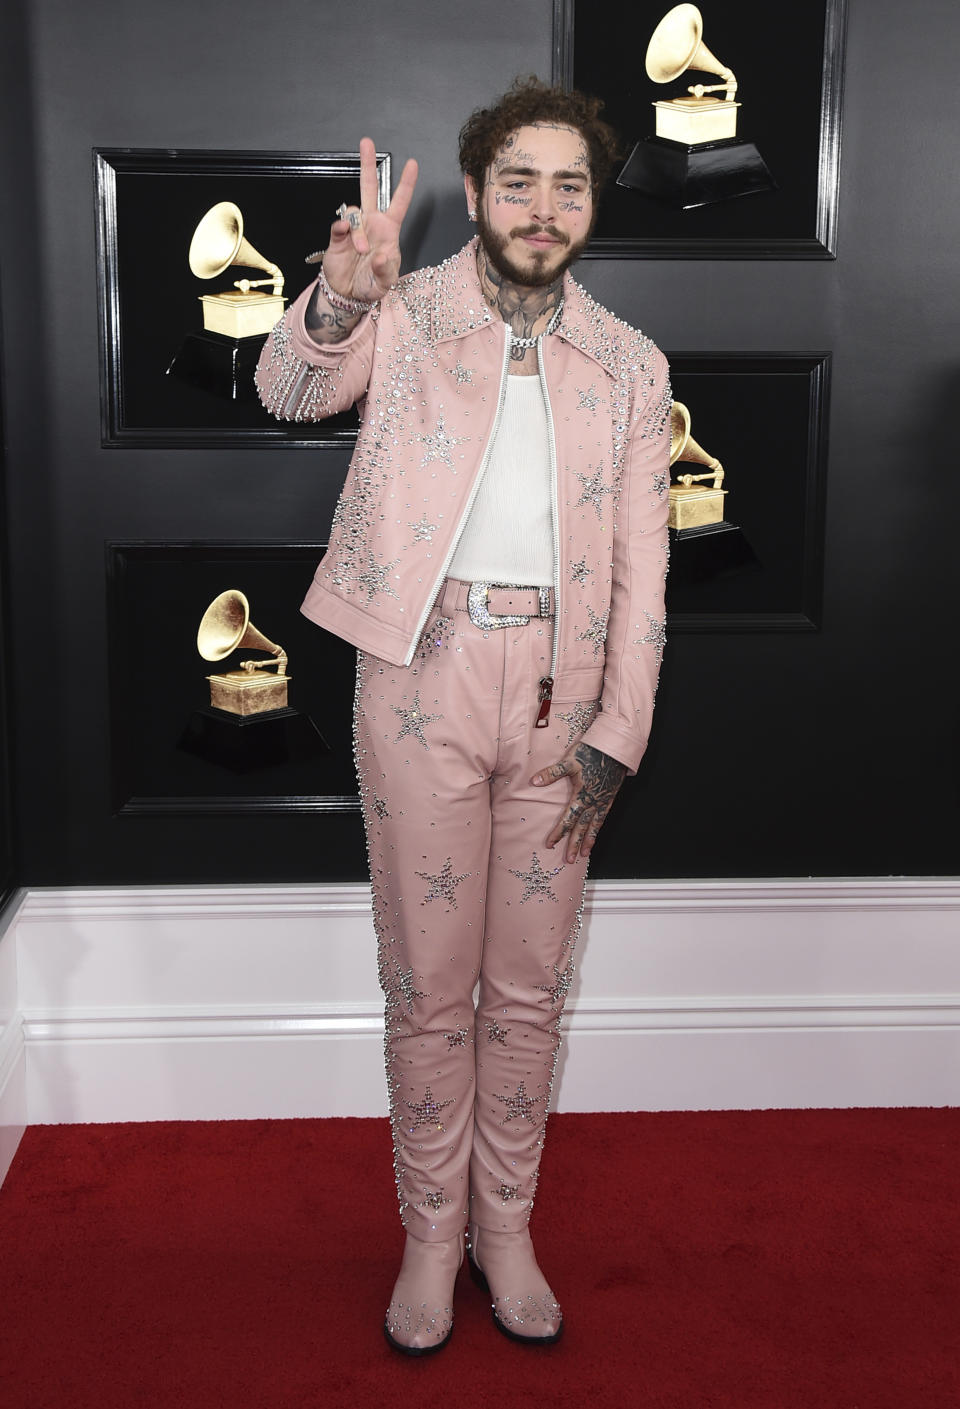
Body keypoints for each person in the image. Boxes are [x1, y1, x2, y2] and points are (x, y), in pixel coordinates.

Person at [255, 76, 671, 1355]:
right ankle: (430, 1235)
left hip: (565, 697)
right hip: (418, 678)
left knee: (528, 993)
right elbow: (286, 390)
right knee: (429, 989)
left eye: (570, 186)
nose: (543, 209)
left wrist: (618, 734)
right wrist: (339, 297)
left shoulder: (631, 366)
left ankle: (506, 1228)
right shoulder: (407, 308)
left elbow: (651, 572)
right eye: (518, 181)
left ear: (592, 206)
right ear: (480, 191)